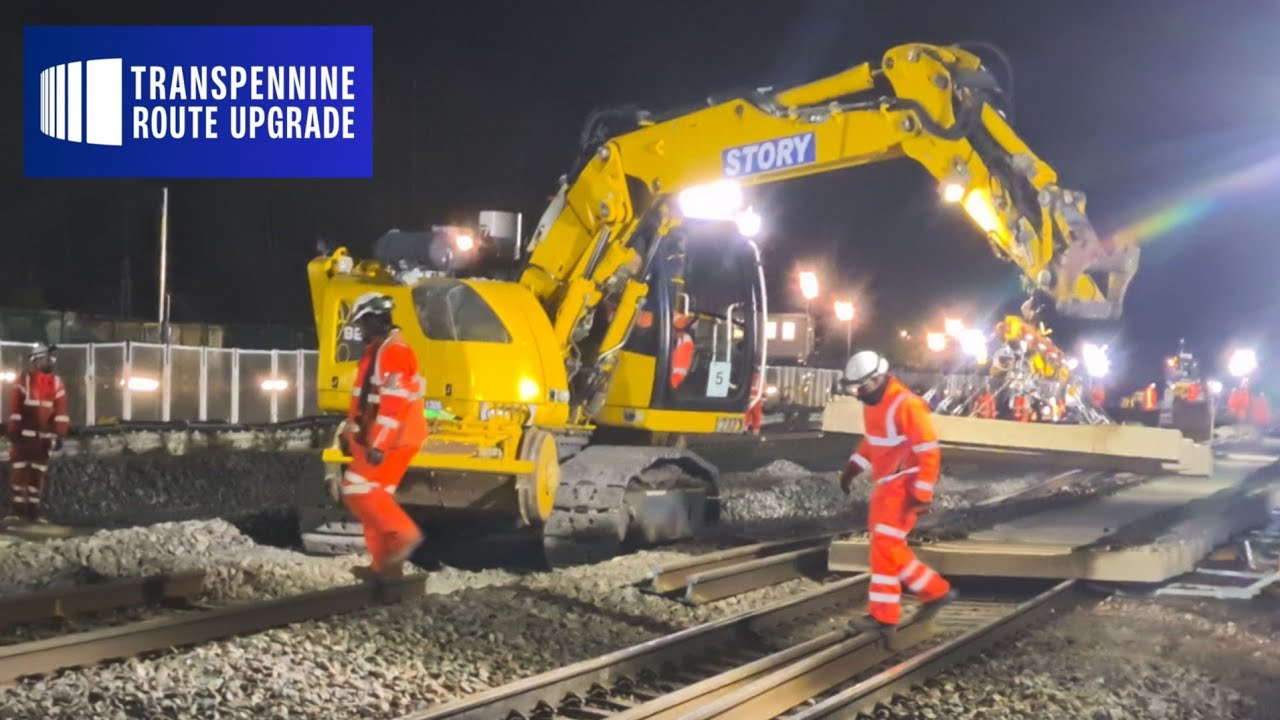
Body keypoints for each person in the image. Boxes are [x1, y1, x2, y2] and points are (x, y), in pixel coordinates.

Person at [840, 350, 956, 637]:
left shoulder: (906, 405)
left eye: (860, 387)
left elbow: (928, 450)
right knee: (888, 546)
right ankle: (935, 590)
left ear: (877, 378)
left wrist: (922, 493)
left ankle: (884, 616)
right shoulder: (874, 404)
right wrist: (854, 465)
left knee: (883, 546)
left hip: (904, 486)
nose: (857, 394)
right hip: (887, 485)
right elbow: (875, 441)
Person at [339, 293, 428, 581]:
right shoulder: (378, 350)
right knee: (374, 499)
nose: (361, 330)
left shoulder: (394, 352)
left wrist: (378, 443)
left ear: (374, 319)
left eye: (363, 323)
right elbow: (364, 397)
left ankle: (404, 536)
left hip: (394, 438)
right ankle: (385, 567)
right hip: (383, 436)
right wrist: (353, 427)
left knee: (357, 488)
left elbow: (393, 402)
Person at [6, 343, 70, 523]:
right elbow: (15, 407)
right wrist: (14, 430)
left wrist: (59, 434)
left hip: (42, 441)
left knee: (37, 474)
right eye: (46, 359)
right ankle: (19, 512)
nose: (50, 362)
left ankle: (32, 513)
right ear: (36, 360)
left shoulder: (56, 383)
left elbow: (61, 412)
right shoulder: (25, 380)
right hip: (24, 438)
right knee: (19, 473)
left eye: (51, 359)